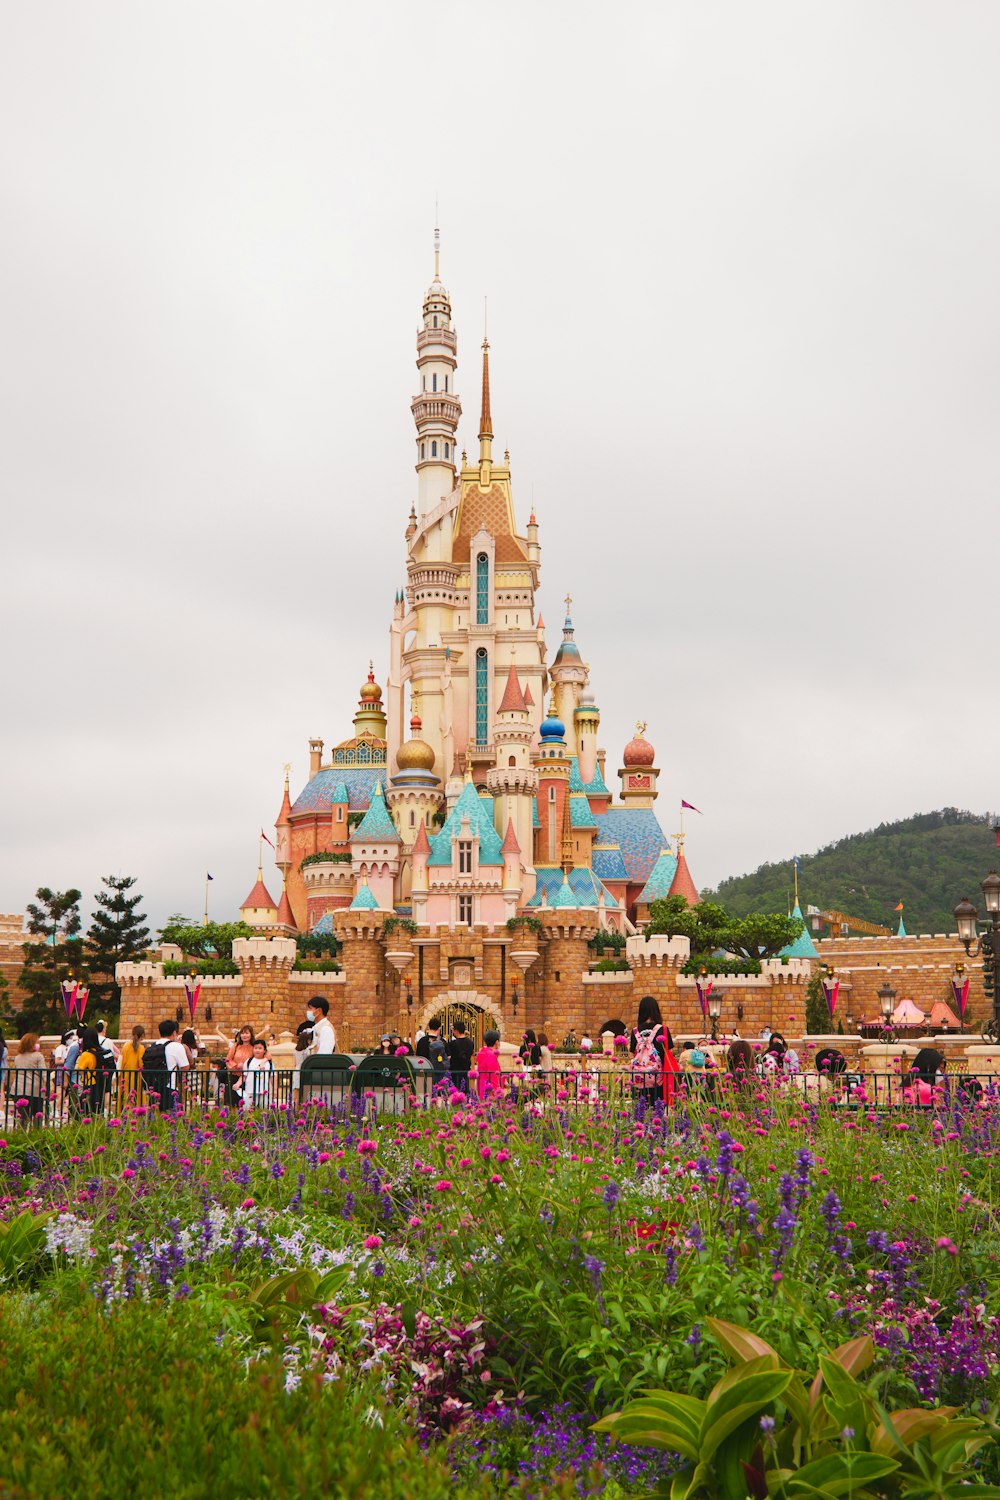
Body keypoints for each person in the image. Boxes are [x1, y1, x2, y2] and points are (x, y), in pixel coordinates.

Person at [629, 995, 679, 1105]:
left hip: (639, 1080)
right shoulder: (663, 1030)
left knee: (640, 1110)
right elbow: (668, 1051)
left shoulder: (635, 1031)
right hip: (659, 1080)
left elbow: (633, 1052)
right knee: (659, 1109)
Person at [5, 1034, 47, 1124]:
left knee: (23, 1117)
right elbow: (43, 1072)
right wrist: (48, 1084)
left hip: (18, 1089)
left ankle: (22, 1134)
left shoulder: (17, 1057)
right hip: (34, 1090)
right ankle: (37, 1134)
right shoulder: (38, 1056)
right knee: (37, 1115)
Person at [222, 1024, 256, 1106]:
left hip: (247, 1078)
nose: (244, 1035)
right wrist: (236, 1066)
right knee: (232, 1102)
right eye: (243, 1033)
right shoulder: (236, 1045)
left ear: (251, 1034)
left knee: (245, 1102)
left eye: (247, 1033)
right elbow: (228, 1059)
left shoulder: (254, 1047)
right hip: (234, 1076)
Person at [416, 1016, 450, 1086]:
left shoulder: (422, 1041)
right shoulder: (442, 1041)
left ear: (428, 1027)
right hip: (439, 1072)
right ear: (439, 1028)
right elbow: (448, 1057)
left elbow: (418, 1056)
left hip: (425, 1071)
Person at [243, 1038, 274, 1108]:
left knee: (264, 1110)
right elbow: (244, 1075)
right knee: (247, 1109)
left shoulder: (269, 1063)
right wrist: (238, 1084)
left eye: (260, 1048)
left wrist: (274, 1090)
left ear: (264, 1050)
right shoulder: (249, 1061)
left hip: (264, 1091)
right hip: (250, 1090)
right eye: (255, 1048)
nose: (257, 1050)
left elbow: (272, 1077)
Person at [447, 1019, 474, 1094]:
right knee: (464, 1091)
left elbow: (449, 1056)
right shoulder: (470, 1042)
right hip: (465, 1070)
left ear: (456, 1031)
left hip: (455, 1071)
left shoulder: (452, 1044)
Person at [476, 1028, 502, 1100]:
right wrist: (497, 1091)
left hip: (481, 1086)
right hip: (490, 1090)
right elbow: (493, 1075)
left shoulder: (483, 1053)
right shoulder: (491, 1055)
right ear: (496, 1042)